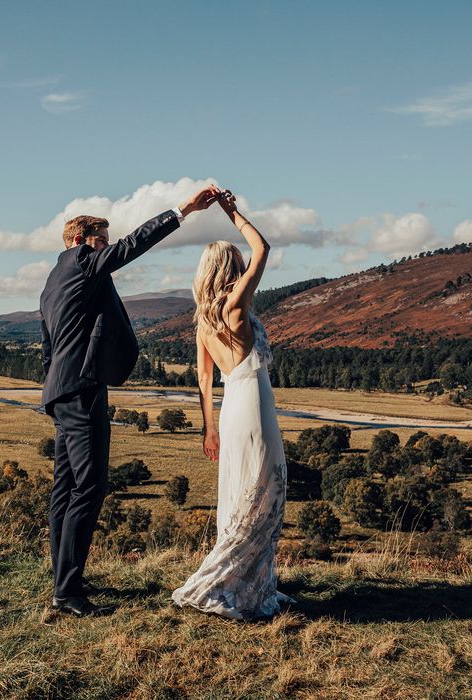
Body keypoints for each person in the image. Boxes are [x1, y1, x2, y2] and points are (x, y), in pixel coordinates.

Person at [40, 184, 221, 617]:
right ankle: (67, 593)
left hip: (62, 391)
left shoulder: (52, 280)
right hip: (82, 390)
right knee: (90, 486)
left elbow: (48, 347)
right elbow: (133, 245)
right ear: (84, 241)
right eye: (102, 239)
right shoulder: (85, 263)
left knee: (66, 487)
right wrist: (183, 211)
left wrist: (55, 388)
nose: (108, 247)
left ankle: (65, 580)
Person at [171, 189, 295, 620]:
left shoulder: (205, 321)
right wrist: (231, 212)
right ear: (232, 270)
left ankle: (247, 582)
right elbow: (263, 247)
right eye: (238, 266)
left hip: (230, 408)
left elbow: (204, 380)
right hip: (254, 402)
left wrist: (209, 430)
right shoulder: (236, 307)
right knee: (267, 489)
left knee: (244, 490)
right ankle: (239, 584)